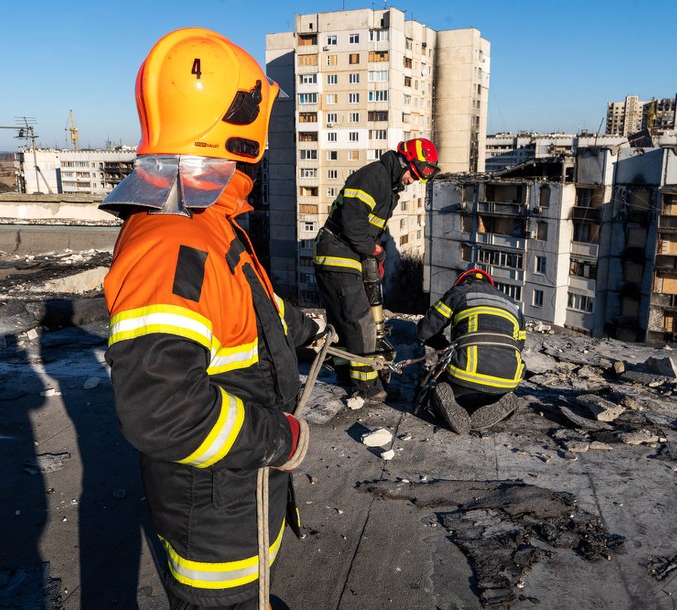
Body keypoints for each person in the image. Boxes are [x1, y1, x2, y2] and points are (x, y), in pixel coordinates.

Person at [99, 28, 319, 609]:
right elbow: (163, 410)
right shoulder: (174, 242)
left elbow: (243, 303)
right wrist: (279, 438)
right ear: (241, 124)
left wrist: (305, 330)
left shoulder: (207, 221)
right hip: (217, 512)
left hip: (240, 492)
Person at [313, 138, 440, 403]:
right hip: (337, 253)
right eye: (412, 174)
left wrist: (374, 254)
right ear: (404, 161)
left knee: (344, 321)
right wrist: (375, 251)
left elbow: (368, 230)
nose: (412, 181)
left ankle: (346, 375)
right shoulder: (373, 177)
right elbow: (352, 223)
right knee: (361, 321)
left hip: (344, 254)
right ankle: (367, 386)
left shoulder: (389, 186)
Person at [416, 268, 527, 434]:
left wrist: (444, 348)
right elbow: (519, 346)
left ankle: (445, 405)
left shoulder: (459, 292)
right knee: (490, 388)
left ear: (461, 282)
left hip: (465, 371)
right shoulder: (514, 305)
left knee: (434, 390)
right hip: (508, 376)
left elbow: (425, 331)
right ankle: (496, 401)